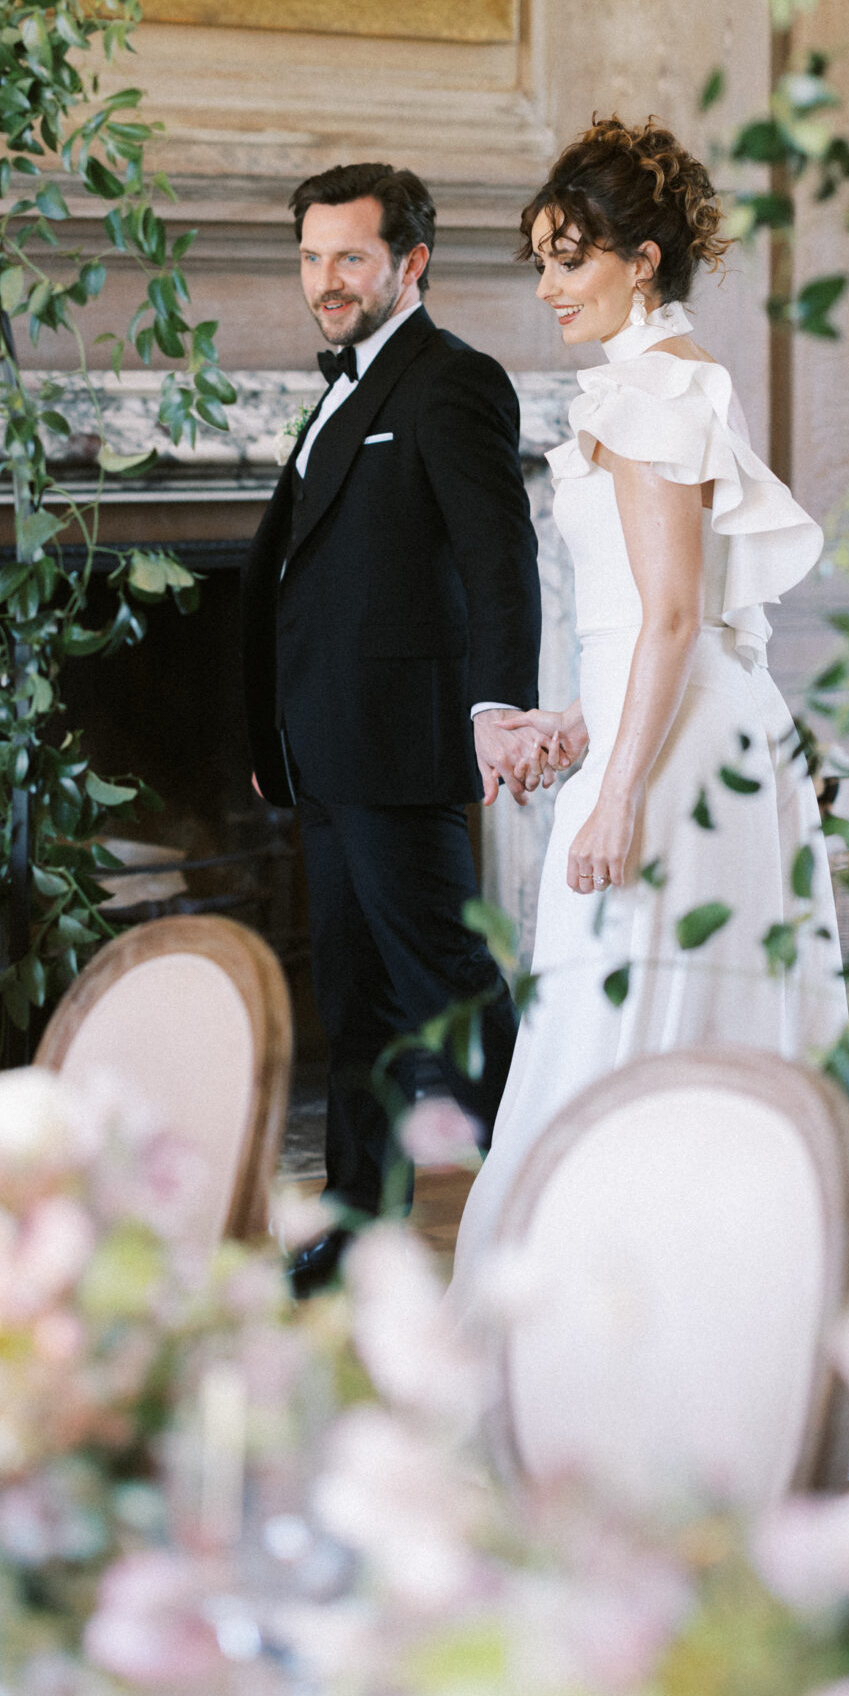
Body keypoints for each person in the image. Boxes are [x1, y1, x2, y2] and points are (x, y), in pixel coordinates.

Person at [451, 113, 849, 1258]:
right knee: (700, 1037)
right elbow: (685, 622)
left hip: (675, 763)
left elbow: (675, 614)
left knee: (616, 1040)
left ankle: (610, 1353)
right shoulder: (683, 381)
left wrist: (619, 787)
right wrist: (579, 720)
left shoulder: (644, 398)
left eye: (569, 257)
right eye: (541, 258)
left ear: (643, 262)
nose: (547, 286)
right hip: (707, 729)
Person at [241, 163, 545, 1297]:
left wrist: (494, 709)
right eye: (313, 258)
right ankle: (360, 1231)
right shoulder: (346, 384)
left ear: (410, 263)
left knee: (451, 990)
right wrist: (269, 731)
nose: (325, 281)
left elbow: (499, 559)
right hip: (324, 748)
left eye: (349, 259)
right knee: (358, 1002)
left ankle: (546, 1211)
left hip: (406, 748)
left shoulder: (452, 382)